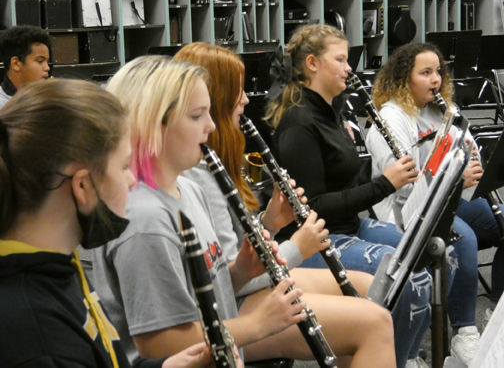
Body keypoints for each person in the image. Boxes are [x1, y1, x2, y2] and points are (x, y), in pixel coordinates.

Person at [92, 55, 396, 368]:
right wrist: (256, 325)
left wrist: (239, 272)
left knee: (368, 318)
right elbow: (159, 343)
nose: (211, 125)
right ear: (153, 125)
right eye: (197, 116)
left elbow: (204, 297)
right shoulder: (145, 220)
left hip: (225, 352)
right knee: (372, 322)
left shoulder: (189, 190)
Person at [174, 41, 397, 363]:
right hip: (227, 307)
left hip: (243, 285)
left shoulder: (220, 156)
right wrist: (297, 247)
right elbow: (227, 280)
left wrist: (269, 222)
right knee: (372, 322)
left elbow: (237, 249)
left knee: (367, 287)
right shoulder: (199, 175)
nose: (247, 99)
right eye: (238, 91)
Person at [0, 78, 229, 368]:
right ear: (82, 186)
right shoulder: (39, 339)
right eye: (123, 166)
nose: (132, 179)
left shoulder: (54, 264)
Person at [264, 24, 431, 368]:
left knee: (421, 254)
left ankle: (403, 357)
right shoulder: (300, 122)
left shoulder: (331, 113)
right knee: (407, 278)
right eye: (339, 60)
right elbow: (313, 209)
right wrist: (386, 184)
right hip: (316, 241)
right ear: (312, 63)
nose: (348, 67)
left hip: (348, 227)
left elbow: (347, 187)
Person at [367, 42, 491, 366]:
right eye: (426, 73)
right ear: (403, 79)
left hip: (445, 197)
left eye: (438, 72)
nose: (436, 80)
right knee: (462, 240)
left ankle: (494, 320)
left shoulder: (441, 110)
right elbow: (403, 185)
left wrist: (468, 157)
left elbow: (462, 151)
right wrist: (453, 179)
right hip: (404, 209)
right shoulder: (391, 118)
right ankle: (464, 332)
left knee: (498, 221)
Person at [0, 25, 51, 109]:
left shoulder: (50, 101)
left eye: (47, 62)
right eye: (40, 61)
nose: (47, 68)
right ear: (15, 64)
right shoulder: (2, 108)